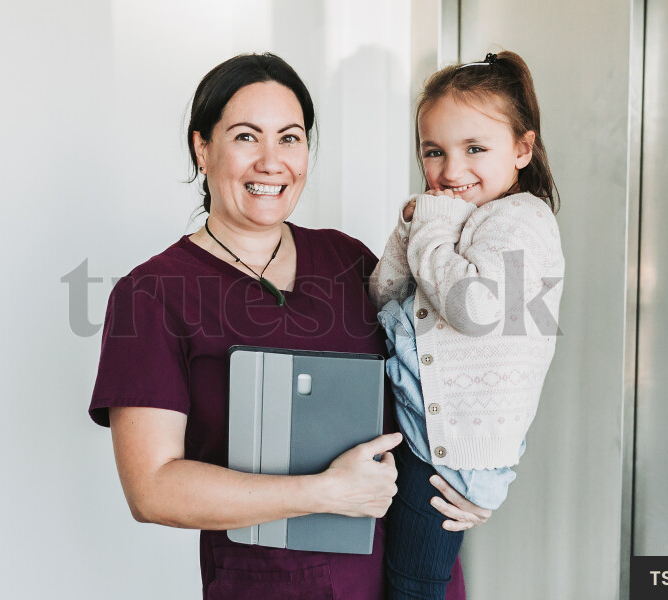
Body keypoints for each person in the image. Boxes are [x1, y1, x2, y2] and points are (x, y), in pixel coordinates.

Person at [88, 53, 477, 600]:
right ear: (203, 149)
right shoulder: (151, 295)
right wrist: (323, 492)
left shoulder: (350, 260)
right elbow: (152, 489)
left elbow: (432, 386)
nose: (272, 162)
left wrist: (474, 482)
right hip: (273, 585)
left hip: (414, 573)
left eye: (290, 138)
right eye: (247, 137)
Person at [369, 51, 565, 599]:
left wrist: (432, 227)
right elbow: (381, 293)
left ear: (522, 149)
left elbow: (473, 309)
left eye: (475, 148)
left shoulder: (521, 220)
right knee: (396, 576)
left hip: (451, 456)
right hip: (425, 433)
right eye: (435, 152)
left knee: (413, 585)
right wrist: (411, 228)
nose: (451, 172)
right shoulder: (449, 216)